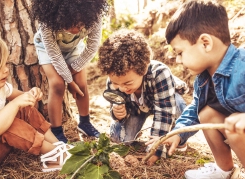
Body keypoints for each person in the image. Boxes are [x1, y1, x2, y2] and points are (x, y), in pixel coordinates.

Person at [0, 30, 73, 172]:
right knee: (9, 123)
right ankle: (55, 155)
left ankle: (58, 146)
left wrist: (31, 94)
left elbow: (23, 99)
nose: (6, 70)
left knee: (23, 109)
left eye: (5, 64)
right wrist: (16, 104)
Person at [160, 1, 245, 178]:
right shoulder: (203, 80)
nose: (177, 60)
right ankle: (224, 170)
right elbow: (194, 110)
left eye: (180, 52)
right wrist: (178, 133)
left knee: (235, 129)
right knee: (205, 113)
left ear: (205, 43)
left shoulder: (242, 66)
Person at [97, 29, 188, 166]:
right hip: (136, 109)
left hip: (165, 102)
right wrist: (118, 114)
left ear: (144, 69)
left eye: (127, 83)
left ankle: (178, 137)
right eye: (117, 84)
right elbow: (115, 106)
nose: (122, 88)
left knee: (179, 105)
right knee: (119, 140)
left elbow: (164, 112)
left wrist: (156, 148)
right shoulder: (114, 81)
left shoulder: (160, 73)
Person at [31, 0, 108, 143]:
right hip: (48, 50)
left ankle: (85, 123)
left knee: (81, 84)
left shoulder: (94, 17)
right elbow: (54, 55)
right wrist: (69, 82)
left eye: (79, 25)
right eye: (69, 24)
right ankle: (56, 130)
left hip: (74, 49)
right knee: (58, 85)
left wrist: (73, 73)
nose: (74, 30)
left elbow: (91, 48)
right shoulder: (47, 22)